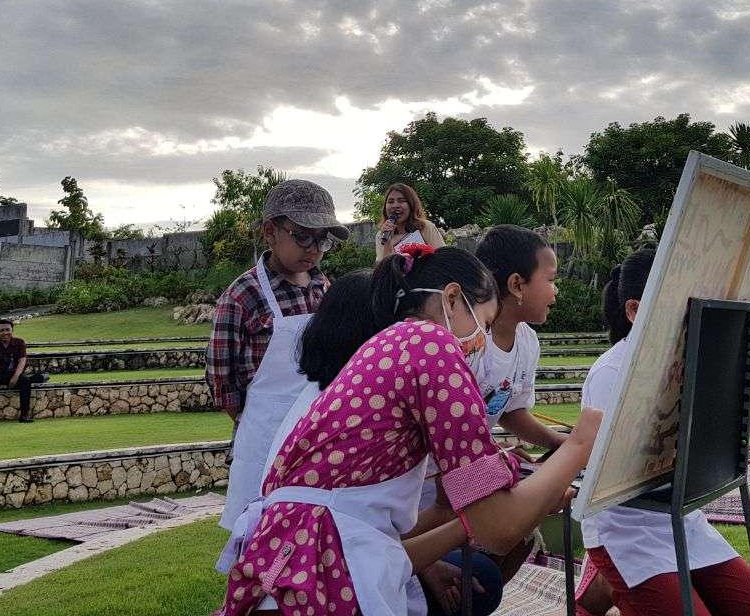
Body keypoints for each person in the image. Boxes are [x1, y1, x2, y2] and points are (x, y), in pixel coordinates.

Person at [219, 243, 601, 616]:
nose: (480, 344)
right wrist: (580, 443)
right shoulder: (432, 343)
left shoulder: (392, 343)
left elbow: (385, 537)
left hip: (296, 557)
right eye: (483, 324)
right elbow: (498, 527)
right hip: (316, 563)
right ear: (452, 298)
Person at [580, 248, 750, 616]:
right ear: (634, 311)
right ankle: (607, 581)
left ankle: (608, 586)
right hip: (627, 528)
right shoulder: (611, 374)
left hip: (681, 518)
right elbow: (616, 480)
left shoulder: (689, 362)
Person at [208, 179, 347, 531]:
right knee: (256, 534)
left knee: (310, 535)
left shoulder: (325, 289)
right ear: (271, 232)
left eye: (323, 240)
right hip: (263, 438)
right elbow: (221, 380)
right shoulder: (242, 296)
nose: (314, 250)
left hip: (316, 437)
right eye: (303, 237)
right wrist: (262, 417)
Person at [473, 225, 569, 449]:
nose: (555, 290)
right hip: (436, 469)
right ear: (516, 284)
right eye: (551, 280)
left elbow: (509, 410)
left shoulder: (527, 342)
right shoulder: (468, 343)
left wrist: (563, 443)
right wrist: (493, 455)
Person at [375, 183, 444, 260]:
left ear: (411, 205)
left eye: (401, 201)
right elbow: (384, 266)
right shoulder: (381, 236)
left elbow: (443, 258)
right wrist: (388, 243)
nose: (395, 205)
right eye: (390, 202)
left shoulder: (425, 227)